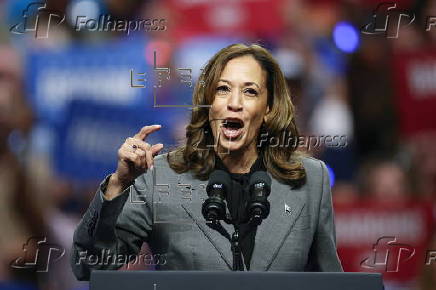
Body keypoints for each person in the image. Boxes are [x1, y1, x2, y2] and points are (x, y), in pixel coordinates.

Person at [71, 43, 343, 280]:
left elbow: (331, 282)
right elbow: (90, 265)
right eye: (223, 89)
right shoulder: (161, 175)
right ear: (208, 103)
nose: (234, 102)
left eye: (249, 92)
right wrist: (119, 184)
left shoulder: (310, 179)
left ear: (269, 109)